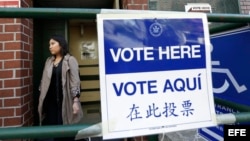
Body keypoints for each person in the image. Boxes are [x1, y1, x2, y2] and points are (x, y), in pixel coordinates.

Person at [38, 34, 83, 141]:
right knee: (55, 130)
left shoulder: (70, 60)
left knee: (67, 131)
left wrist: (75, 101)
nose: (50, 46)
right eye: (49, 44)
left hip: (66, 101)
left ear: (61, 44)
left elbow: (75, 81)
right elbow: (43, 81)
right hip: (51, 103)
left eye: (53, 43)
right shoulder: (49, 61)